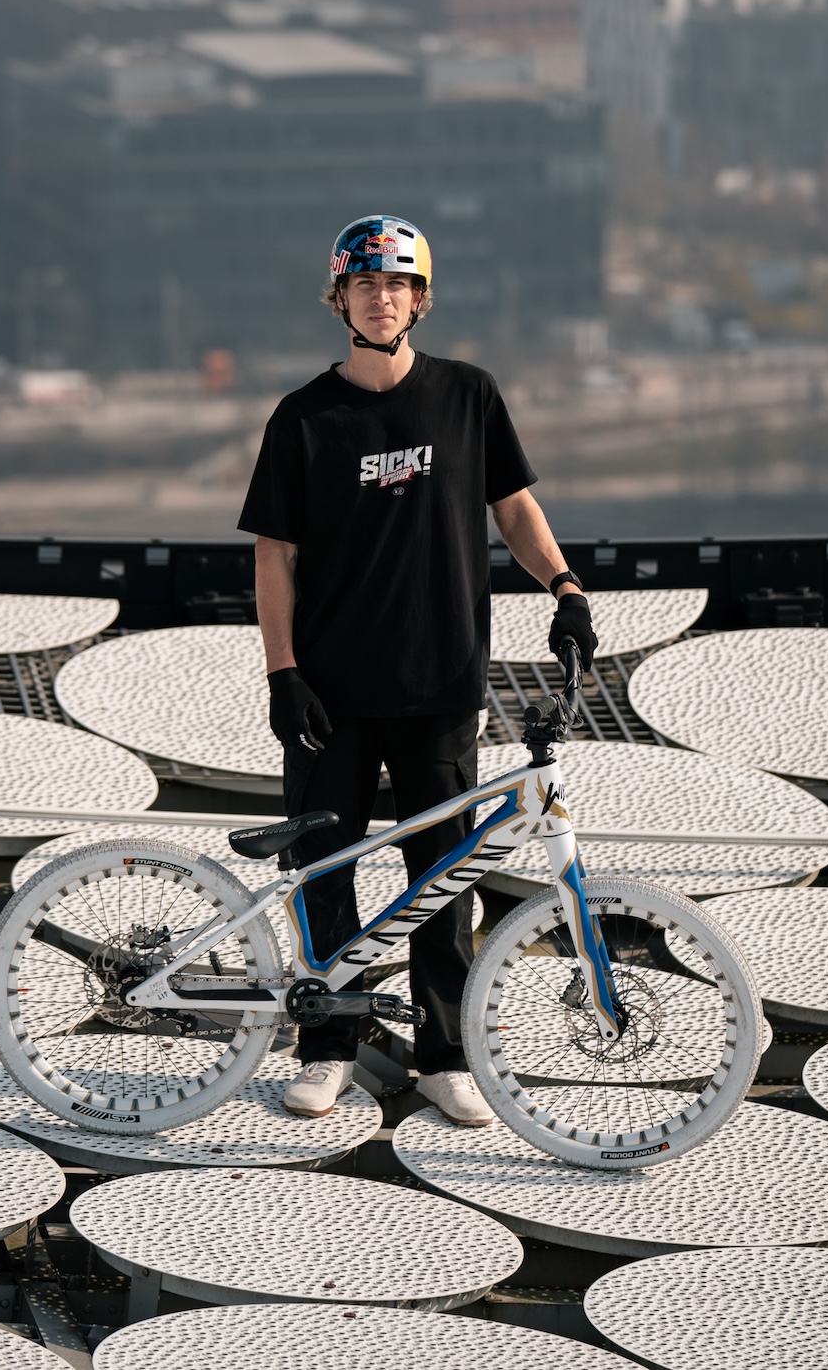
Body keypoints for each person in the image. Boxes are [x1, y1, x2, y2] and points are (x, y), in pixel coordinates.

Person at [237, 214, 597, 1126]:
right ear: (340, 299)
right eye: (366, 283)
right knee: (326, 870)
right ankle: (328, 1047)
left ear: (420, 299)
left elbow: (512, 507)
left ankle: (445, 1055)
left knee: (443, 876)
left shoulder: (467, 396)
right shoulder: (303, 418)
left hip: (441, 686)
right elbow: (273, 557)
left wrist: (564, 586)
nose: (382, 296)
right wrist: (282, 672)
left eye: (399, 283)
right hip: (331, 692)